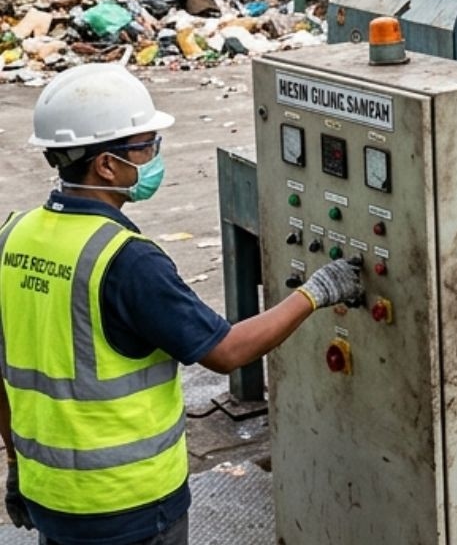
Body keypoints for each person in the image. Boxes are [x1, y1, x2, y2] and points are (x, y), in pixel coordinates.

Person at [3, 65, 361, 545]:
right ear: (106, 164)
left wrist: (15, 464)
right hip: (130, 505)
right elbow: (228, 351)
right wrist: (316, 291)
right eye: (146, 146)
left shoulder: (12, 235)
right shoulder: (127, 261)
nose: (155, 157)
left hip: (50, 497)